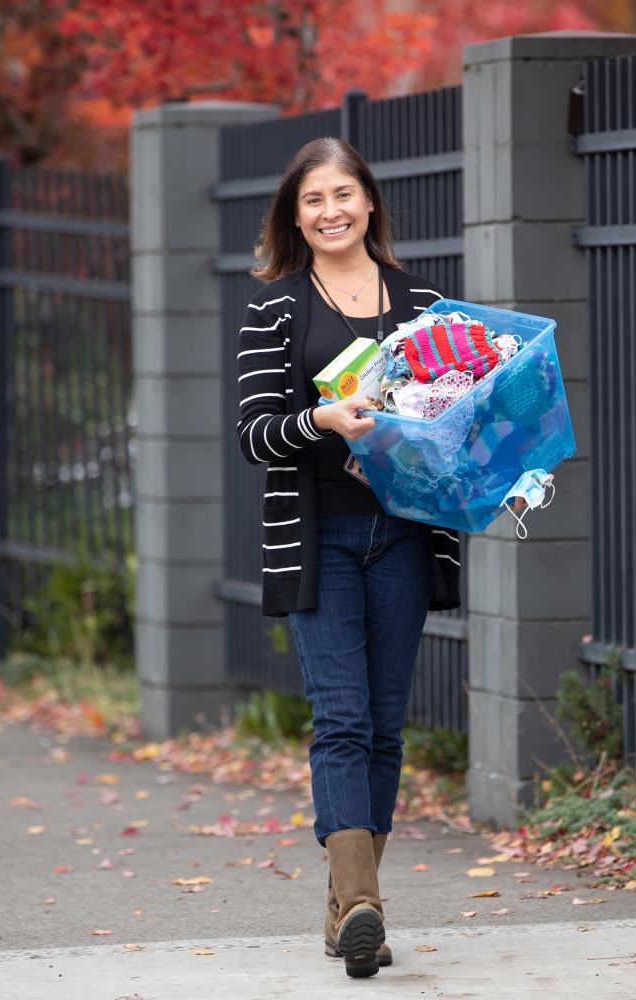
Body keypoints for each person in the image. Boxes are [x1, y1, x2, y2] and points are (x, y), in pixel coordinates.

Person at [235, 137, 462, 979]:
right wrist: (321, 423)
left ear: (370, 202)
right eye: (312, 200)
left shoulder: (426, 305)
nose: (330, 211)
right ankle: (364, 901)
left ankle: (343, 909)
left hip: (402, 534)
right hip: (320, 536)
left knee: (385, 727)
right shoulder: (276, 310)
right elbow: (255, 435)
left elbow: (457, 423)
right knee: (341, 717)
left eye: (343, 194)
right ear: (294, 217)